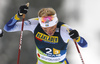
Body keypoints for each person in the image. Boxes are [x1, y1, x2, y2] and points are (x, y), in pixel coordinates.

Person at [4, 4, 87, 64]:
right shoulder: (35, 24)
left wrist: (77, 37)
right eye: (45, 29)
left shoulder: (64, 29)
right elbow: (8, 28)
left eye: (52, 28)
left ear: (56, 23)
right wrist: (18, 15)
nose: (49, 32)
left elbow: (84, 45)